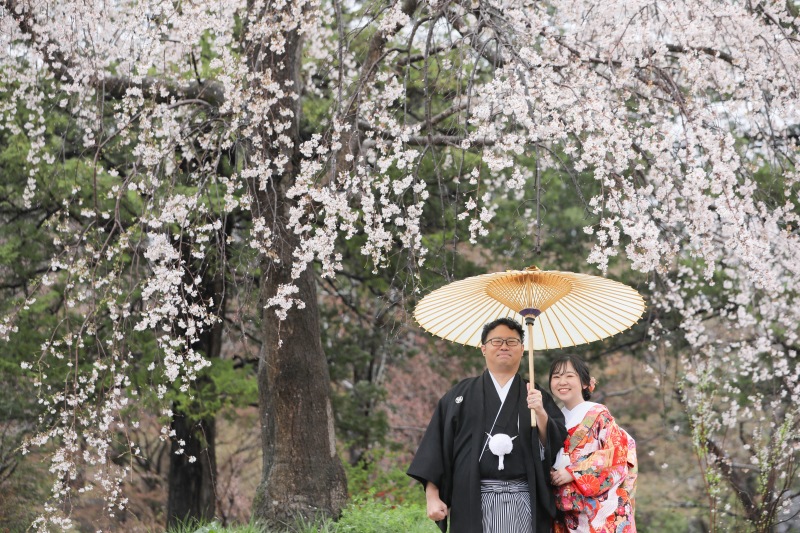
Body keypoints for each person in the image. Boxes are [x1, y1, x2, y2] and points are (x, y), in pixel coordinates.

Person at [407, 317, 568, 532]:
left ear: (522, 350)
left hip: (524, 500)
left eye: (512, 342)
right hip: (472, 500)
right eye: (496, 341)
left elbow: (555, 442)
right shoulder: (460, 395)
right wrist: (432, 496)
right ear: (483, 349)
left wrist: (540, 412)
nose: (504, 346)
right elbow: (436, 447)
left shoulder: (535, 395)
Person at [548, 354, 637, 533]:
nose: (562, 381)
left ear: (584, 383)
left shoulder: (598, 414)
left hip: (599, 512)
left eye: (569, 376)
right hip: (566, 512)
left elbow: (616, 455)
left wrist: (573, 473)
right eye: (556, 376)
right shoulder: (552, 418)